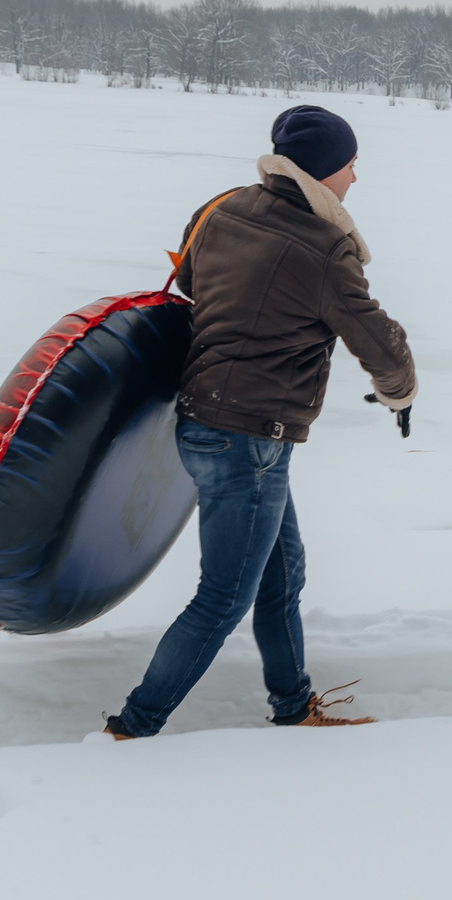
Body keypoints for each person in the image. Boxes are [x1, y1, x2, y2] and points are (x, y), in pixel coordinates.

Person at [104, 104, 416, 738]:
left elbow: (192, 280)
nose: (355, 178)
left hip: (204, 423)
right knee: (222, 598)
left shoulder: (220, 210)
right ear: (324, 169)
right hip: (249, 440)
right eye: (351, 165)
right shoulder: (327, 249)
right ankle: (133, 728)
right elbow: (379, 343)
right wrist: (399, 393)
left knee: (282, 572)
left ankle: (293, 706)